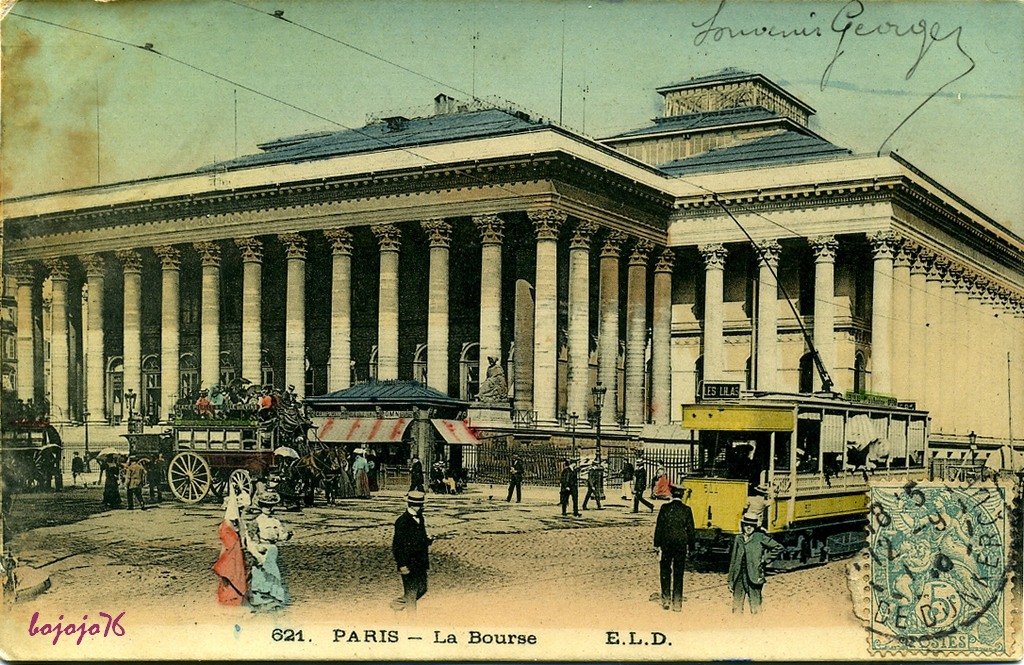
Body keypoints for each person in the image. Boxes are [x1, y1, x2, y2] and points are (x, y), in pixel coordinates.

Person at [728, 515, 783, 614]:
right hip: (739, 577)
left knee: (755, 606)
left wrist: (764, 559)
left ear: (755, 527)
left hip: (754, 576)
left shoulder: (760, 537)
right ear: (743, 525)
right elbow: (733, 560)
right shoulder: (738, 538)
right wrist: (730, 579)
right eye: (746, 525)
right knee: (736, 607)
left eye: (752, 525)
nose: (749, 527)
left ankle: (756, 625)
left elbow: (778, 547)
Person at [247, 491, 292, 611]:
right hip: (262, 549)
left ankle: (272, 597)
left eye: (271, 505)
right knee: (260, 573)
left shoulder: (275, 521)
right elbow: (249, 539)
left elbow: (281, 535)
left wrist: (287, 535)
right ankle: (257, 597)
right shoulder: (256, 521)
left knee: (273, 574)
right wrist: (256, 552)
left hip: (273, 549)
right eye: (265, 505)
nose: (268, 508)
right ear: (261, 506)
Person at [653, 485, 696, 611]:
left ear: (671, 494)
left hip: (666, 543)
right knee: (679, 572)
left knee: (665, 571)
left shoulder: (665, 508)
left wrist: (656, 544)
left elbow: (659, 527)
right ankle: (677, 603)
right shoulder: (687, 509)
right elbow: (691, 530)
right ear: (682, 495)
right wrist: (692, 547)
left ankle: (666, 599)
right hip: (680, 544)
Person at [391, 491, 433, 611]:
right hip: (409, 563)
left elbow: (419, 538)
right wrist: (402, 565)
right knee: (411, 594)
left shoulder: (420, 518)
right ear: (414, 505)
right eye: (421, 505)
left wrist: (427, 540)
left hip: (421, 562)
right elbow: (397, 546)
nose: (423, 507)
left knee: (422, 588)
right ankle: (411, 622)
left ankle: (397, 604)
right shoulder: (402, 522)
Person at [213, 486, 249, 605]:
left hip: (235, 551)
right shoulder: (227, 524)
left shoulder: (237, 522)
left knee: (237, 572)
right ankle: (229, 597)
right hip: (229, 552)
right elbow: (228, 539)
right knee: (230, 573)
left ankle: (235, 595)